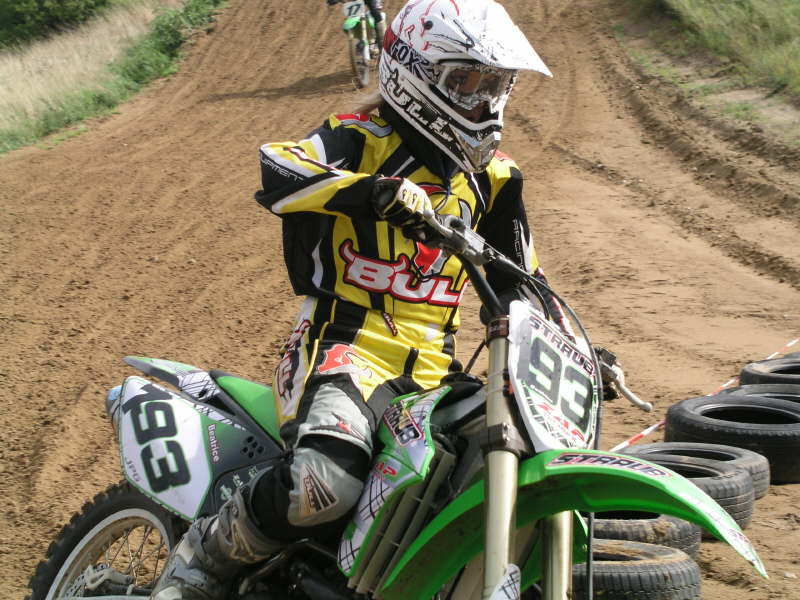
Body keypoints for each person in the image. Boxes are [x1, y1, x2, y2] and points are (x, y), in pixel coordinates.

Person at [150, 1, 566, 598]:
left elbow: (521, 281)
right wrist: (372, 193)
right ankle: (201, 560)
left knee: (498, 467)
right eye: (466, 82)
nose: (484, 102)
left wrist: (572, 346)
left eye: (495, 85)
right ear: (415, 75)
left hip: (436, 373)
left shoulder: (497, 179)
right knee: (323, 486)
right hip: (345, 350)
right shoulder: (358, 137)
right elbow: (278, 168)